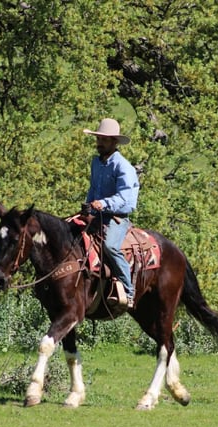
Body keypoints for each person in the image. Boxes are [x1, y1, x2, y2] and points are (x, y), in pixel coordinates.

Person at [83, 118, 139, 309]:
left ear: (114, 142)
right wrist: (88, 205)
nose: (99, 143)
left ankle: (129, 291)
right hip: (96, 214)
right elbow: (93, 188)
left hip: (116, 217)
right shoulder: (96, 163)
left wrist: (103, 203)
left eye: (104, 139)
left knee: (110, 246)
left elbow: (126, 198)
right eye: (98, 138)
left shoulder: (123, 166)